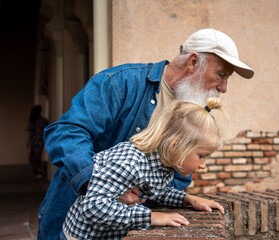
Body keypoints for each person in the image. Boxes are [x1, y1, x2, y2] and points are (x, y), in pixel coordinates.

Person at [38, 28, 254, 239]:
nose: (224, 88)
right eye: (221, 74)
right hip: (70, 225)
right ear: (193, 62)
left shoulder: (194, 113)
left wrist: (184, 199)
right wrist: (97, 186)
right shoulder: (119, 82)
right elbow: (67, 133)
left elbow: (173, 179)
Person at [62, 98, 225, 239]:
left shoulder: (164, 165)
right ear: (175, 145)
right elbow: (93, 206)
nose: (203, 165)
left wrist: (188, 199)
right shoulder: (130, 163)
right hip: (84, 236)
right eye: (202, 156)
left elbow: (159, 192)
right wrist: (151, 217)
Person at [26, 105, 48, 178]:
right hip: (39, 141)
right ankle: (37, 170)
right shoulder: (43, 120)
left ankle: (37, 170)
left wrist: (28, 142)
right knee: (37, 155)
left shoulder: (33, 120)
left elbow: (29, 132)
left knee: (34, 155)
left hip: (35, 140)